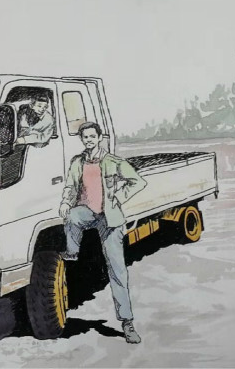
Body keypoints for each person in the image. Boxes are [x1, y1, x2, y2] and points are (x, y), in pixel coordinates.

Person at [59, 121, 147, 344]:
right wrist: (66, 202)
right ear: (82, 140)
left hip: (110, 219)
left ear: (99, 138)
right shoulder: (77, 162)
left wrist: (119, 196)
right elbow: (70, 186)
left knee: (117, 271)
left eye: (92, 136)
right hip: (88, 212)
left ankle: (127, 323)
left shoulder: (113, 162)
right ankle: (72, 252)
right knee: (71, 216)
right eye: (85, 137)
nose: (88, 140)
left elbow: (138, 182)